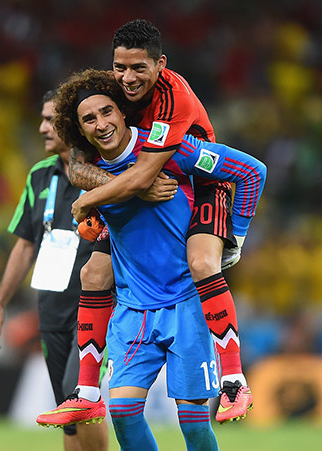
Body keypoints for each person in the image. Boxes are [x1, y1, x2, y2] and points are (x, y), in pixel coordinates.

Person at [36, 70, 266, 451]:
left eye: (106, 112)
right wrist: (96, 212)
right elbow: (97, 238)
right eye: (87, 119)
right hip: (136, 312)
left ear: (124, 112)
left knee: (194, 428)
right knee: (122, 414)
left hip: (186, 307)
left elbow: (248, 171)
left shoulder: (170, 152)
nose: (99, 124)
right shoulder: (92, 168)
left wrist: (231, 238)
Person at [52, 19, 256, 426]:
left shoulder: (171, 100)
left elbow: (149, 176)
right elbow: (76, 161)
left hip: (200, 184)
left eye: (138, 69)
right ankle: (87, 393)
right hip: (148, 194)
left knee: (201, 263)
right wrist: (110, 190)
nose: (127, 78)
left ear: (160, 64)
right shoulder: (114, 99)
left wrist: (237, 236)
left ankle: (234, 381)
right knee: (93, 272)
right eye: (119, 67)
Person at [0, 90, 118, 451]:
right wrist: (0, 303)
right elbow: (25, 242)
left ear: (68, 125)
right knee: (66, 406)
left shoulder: (106, 170)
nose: (41, 128)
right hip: (52, 305)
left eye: (48, 120)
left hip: (98, 305)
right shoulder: (40, 176)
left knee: (80, 400)